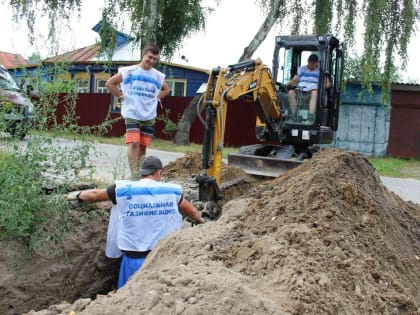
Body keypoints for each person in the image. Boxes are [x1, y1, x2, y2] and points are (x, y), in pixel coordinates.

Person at [67, 156, 205, 289]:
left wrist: (77, 195)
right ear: (159, 172)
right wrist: (201, 221)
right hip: (162, 258)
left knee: (129, 297)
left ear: (142, 173)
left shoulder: (123, 189)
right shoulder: (172, 191)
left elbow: (95, 195)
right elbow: (192, 212)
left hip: (133, 260)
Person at [105, 44, 170, 179]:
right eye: (150, 57)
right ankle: (134, 175)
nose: (152, 61)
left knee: (143, 145)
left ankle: (141, 174)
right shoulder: (129, 71)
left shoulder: (158, 76)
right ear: (143, 55)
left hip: (149, 114)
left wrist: (156, 98)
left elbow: (166, 89)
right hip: (132, 112)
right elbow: (110, 83)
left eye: (155, 59)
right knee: (133, 142)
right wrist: (121, 96)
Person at [286, 53, 330, 123]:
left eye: (313, 63)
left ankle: (310, 118)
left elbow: (327, 84)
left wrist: (321, 88)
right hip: (301, 89)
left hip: (313, 90)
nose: (311, 64)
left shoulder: (320, 71)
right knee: (291, 92)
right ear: (308, 61)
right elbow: (295, 79)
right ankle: (294, 115)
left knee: (315, 92)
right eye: (310, 62)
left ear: (317, 63)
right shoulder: (302, 69)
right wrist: (288, 84)